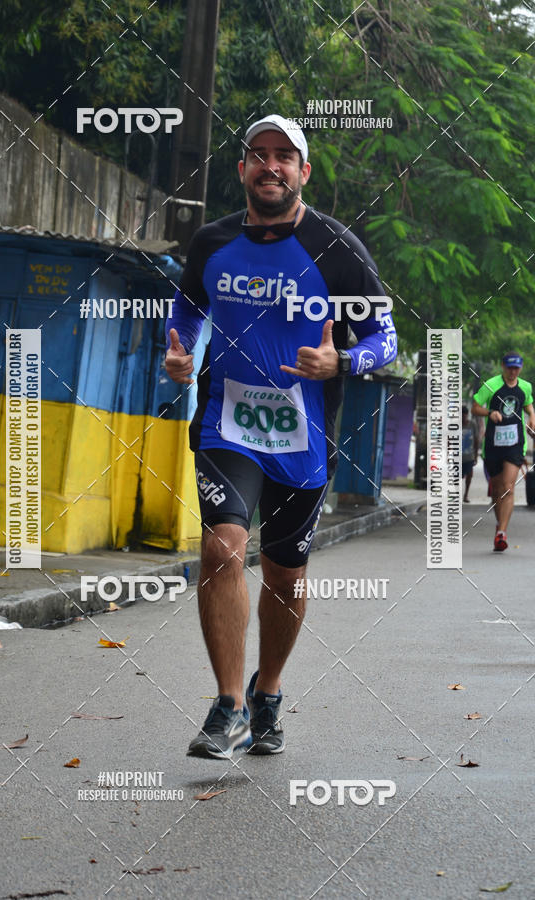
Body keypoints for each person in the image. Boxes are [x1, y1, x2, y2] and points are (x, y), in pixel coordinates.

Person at [165, 113, 397, 759]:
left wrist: (342, 361)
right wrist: (178, 351)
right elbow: (187, 308)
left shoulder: (336, 247)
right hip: (226, 426)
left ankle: (267, 692)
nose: (271, 165)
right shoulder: (212, 242)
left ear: (303, 171)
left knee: (285, 575)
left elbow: (385, 337)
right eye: (259, 154)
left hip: (304, 440)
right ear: (242, 168)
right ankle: (229, 706)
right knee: (222, 548)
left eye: (284, 156)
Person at [472, 353, 535, 551]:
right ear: (503, 366)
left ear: (520, 368)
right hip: (493, 445)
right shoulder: (491, 385)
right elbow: (475, 407)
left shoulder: (525, 386)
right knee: (497, 490)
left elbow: (528, 404)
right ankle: (500, 525)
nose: (513, 372)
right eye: (509, 368)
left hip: (515, 445)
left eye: (516, 368)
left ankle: (502, 533)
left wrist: (532, 417)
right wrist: (490, 413)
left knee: (508, 487)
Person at [461, 405, 479, 502]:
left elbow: (476, 440)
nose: (463, 417)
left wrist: (475, 456)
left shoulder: (472, 424)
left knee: (469, 475)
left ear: (467, 415)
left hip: (469, 456)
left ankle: (466, 495)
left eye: (465, 415)